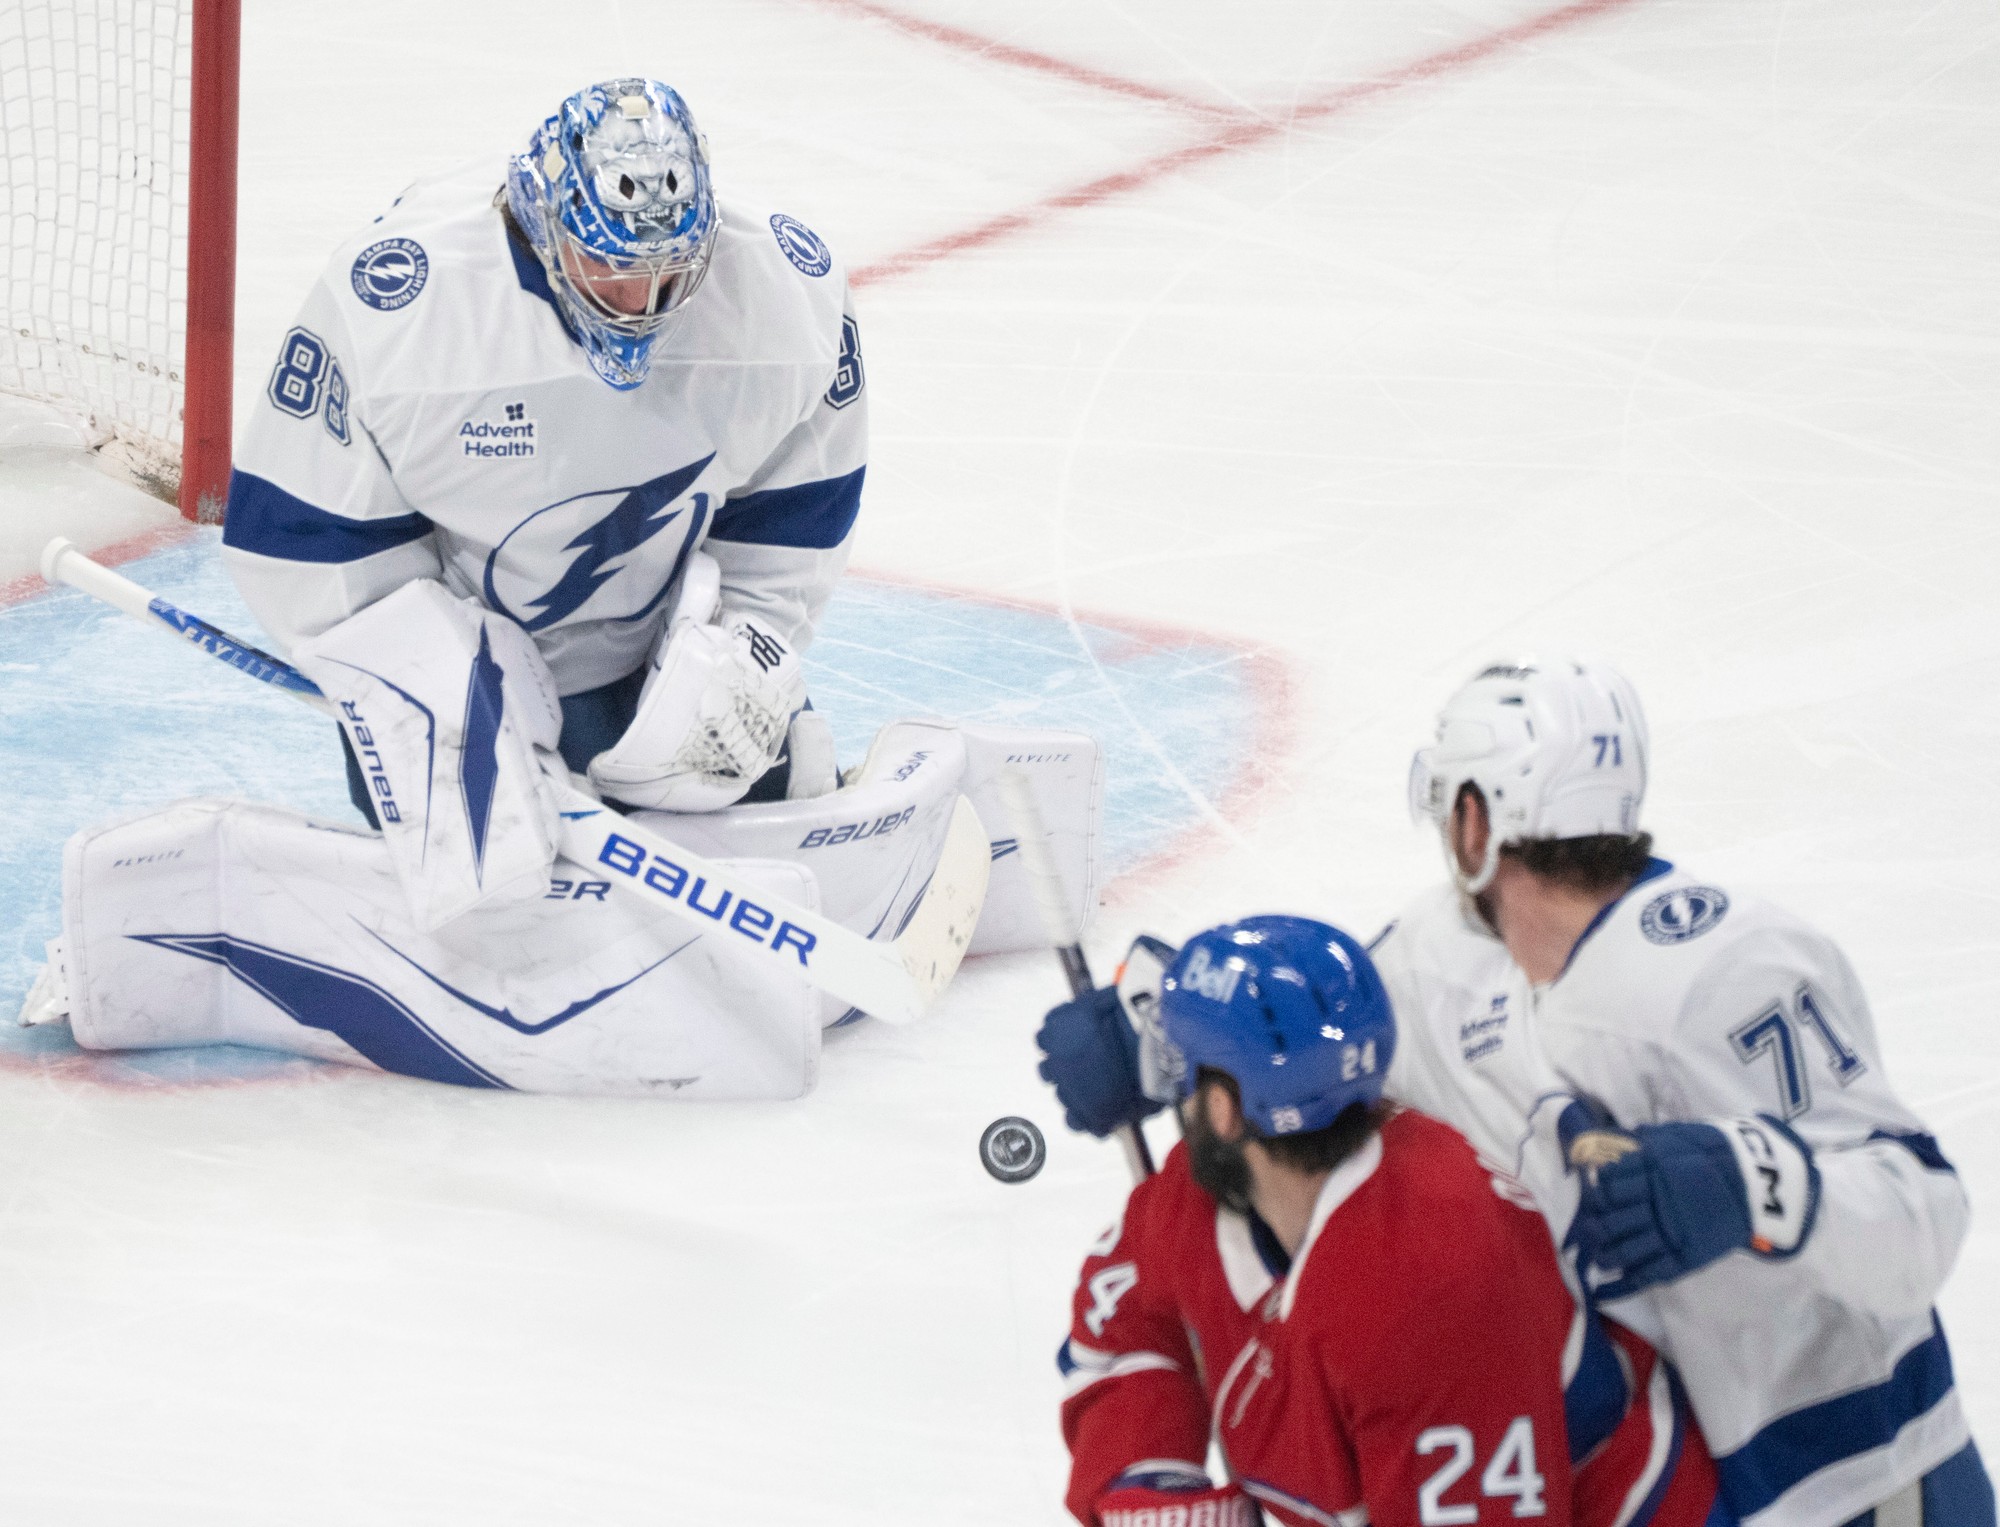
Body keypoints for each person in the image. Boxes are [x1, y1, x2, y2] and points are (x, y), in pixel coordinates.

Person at [13, 80, 1108, 1093]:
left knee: (732, 769)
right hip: (465, 639)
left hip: (650, 642)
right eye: (608, 270)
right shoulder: (403, 297)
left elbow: (795, 516)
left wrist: (748, 648)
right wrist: (437, 695)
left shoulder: (784, 289)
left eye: (669, 273)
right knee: (479, 879)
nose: (641, 301)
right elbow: (303, 540)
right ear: (540, 227)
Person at [1383, 658, 1989, 1527]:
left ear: (1476, 820)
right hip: (1676, 1491)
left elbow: (1922, 1215)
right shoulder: (1437, 958)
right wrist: (1155, 1035)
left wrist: (1762, 1185)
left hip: (1862, 1489)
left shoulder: (1727, 969)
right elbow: (1309, 1021)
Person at [1052, 916, 1719, 1527]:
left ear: (1226, 1109)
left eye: (1183, 1071)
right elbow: (1124, 1317)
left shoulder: (1430, 1281)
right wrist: (1147, 1478)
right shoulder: (1203, 1191)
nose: (1172, 1095)